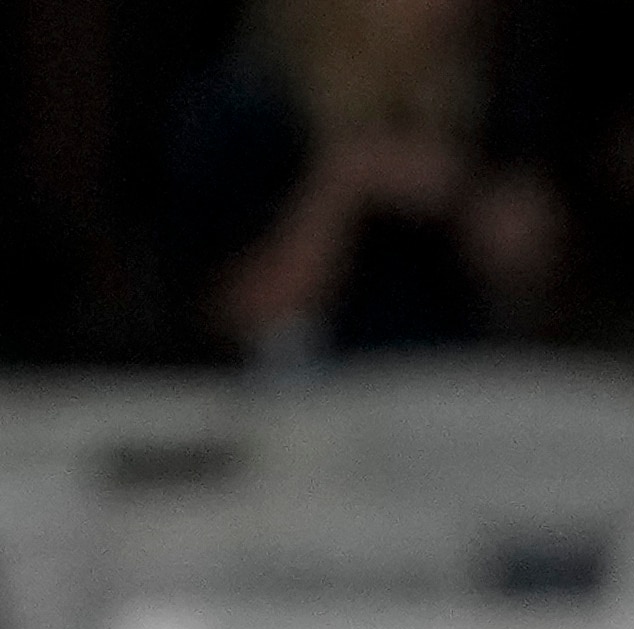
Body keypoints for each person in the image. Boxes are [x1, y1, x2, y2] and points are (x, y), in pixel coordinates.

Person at [171, 0, 558, 361]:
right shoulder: (248, 106)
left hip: (452, 378)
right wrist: (343, 186)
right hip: (309, 385)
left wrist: (503, 232)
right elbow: (229, 317)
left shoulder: (480, 100)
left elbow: (533, 290)